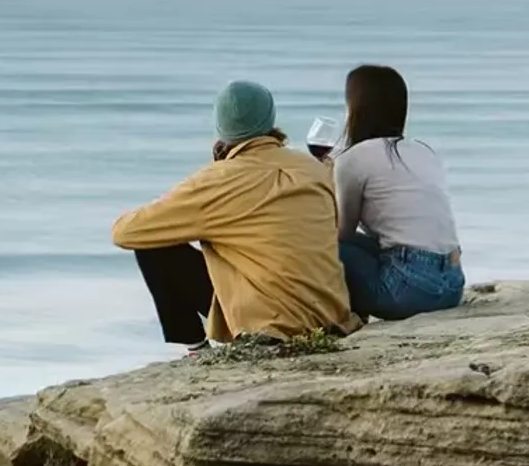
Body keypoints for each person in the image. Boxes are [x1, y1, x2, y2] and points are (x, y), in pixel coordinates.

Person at [112, 80, 359, 352]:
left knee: (151, 243)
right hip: (332, 316)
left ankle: (196, 348)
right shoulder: (313, 168)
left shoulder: (217, 180)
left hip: (270, 325)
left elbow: (125, 232)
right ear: (270, 119)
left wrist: (189, 210)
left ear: (220, 128)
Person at [331, 65, 465, 319]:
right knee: (361, 245)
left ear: (356, 108)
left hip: (407, 291)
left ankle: (341, 317)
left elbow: (342, 233)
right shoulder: (423, 150)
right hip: (452, 284)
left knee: (319, 244)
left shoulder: (353, 159)